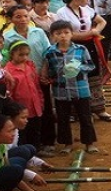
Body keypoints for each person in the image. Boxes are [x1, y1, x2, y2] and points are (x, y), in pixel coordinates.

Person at [56, 0, 111, 122]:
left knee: (93, 75)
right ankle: (79, 111)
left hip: (90, 46)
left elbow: (102, 21)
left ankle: (99, 109)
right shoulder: (62, 12)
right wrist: (90, 33)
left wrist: (95, 32)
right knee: (76, 77)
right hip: (72, 49)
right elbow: (66, 34)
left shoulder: (87, 9)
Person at [41, 20, 99, 154]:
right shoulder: (50, 52)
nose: (63, 36)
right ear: (53, 35)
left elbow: (91, 66)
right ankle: (67, 144)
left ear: (72, 34)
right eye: (58, 33)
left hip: (81, 90)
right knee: (63, 119)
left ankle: (89, 143)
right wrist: (49, 75)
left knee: (85, 117)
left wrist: (78, 68)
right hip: (61, 91)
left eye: (66, 32)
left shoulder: (81, 49)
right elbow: (49, 70)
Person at [4, 41, 43, 149]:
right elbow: (9, 92)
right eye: (21, 55)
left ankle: (35, 151)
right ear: (12, 54)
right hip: (20, 107)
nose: (24, 57)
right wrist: (14, 109)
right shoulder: (8, 71)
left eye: (26, 54)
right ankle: (23, 152)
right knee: (22, 132)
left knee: (35, 129)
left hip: (35, 105)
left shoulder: (30, 66)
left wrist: (40, 100)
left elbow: (36, 85)